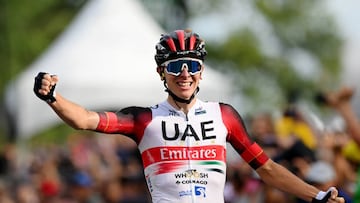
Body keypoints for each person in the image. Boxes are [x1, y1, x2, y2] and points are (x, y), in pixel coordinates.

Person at [33, 29, 344, 203]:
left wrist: (316, 196)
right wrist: (53, 97)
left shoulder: (224, 115)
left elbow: (267, 168)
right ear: (161, 73)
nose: (184, 74)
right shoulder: (143, 119)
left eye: (192, 66)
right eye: (175, 66)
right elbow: (86, 119)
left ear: (201, 71)